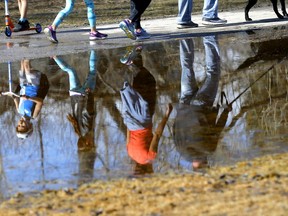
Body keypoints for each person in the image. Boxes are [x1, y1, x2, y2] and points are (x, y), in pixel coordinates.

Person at [173, 36, 231, 170]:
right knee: (186, 68)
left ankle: (209, 38)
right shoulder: (181, 151)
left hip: (201, 106)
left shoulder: (208, 150)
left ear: (204, 165)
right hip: (184, 104)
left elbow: (217, 128)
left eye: (207, 164)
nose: (208, 162)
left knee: (213, 73)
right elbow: (175, 128)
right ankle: (185, 38)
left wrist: (226, 111)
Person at [119, 46, 173, 174]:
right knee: (137, 91)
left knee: (149, 83)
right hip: (130, 120)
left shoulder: (150, 157)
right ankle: (136, 55)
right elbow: (128, 134)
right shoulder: (130, 154)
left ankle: (132, 62)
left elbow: (158, 135)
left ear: (149, 170)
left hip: (143, 120)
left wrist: (166, 115)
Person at [53, 50, 98, 182]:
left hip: (84, 95)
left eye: (91, 144)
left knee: (92, 71)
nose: (93, 142)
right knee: (71, 71)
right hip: (74, 95)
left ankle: (94, 48)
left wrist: (89, 96)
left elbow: (88, 112)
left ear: (88, 142)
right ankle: (55, 56)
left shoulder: (86, 129)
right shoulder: (77, 129)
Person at [1, 59, 49, 139]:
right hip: (35, 85)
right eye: (22, 126)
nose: (21, 123)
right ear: (29, 126)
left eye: (19, 125)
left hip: (23, 84)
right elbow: (40, 102)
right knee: (27, 68)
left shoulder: (19, 111)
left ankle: (24, 48)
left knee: (22, 64)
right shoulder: (33, 115)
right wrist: (28, 98)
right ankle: (29, 49)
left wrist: (4, 93)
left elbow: (14, 97)